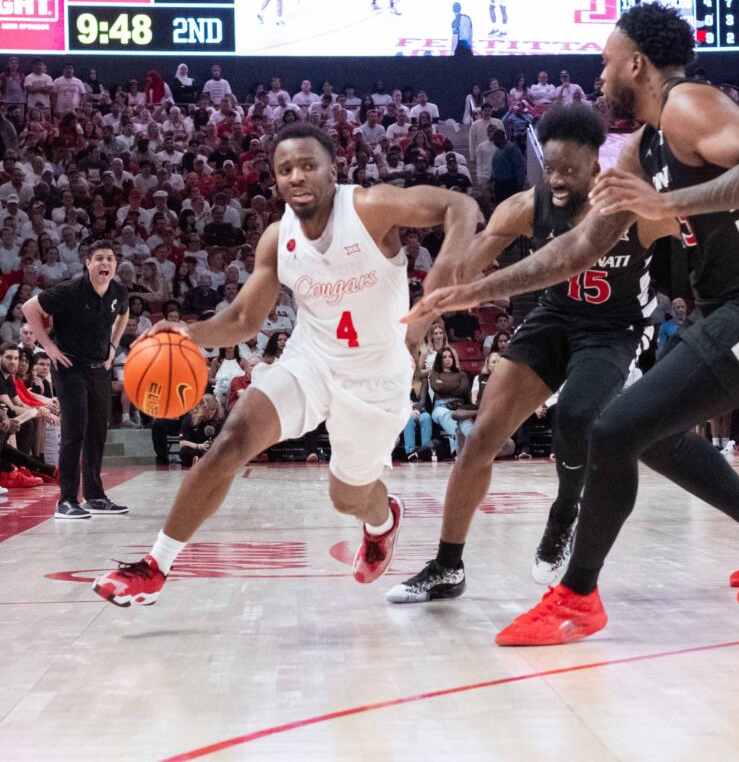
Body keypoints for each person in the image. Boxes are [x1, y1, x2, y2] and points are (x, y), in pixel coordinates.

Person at [406, 4, 739, 645]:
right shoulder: (641, 147)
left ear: (636, 62)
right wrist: (477, 290)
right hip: (731, 308)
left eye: (607, 61)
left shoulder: (690, 105)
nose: (600, 76)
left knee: (612, 428)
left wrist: (670, 202)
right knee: (647, 433)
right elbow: (574, 252)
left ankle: (576, 596)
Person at [91, 123, 479, 607]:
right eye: (285, 169)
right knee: (231, 441)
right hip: (310, 361)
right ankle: (155, 566)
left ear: (333, 170)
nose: (297, 176)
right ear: (275, 179)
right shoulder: (278, 239)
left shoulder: (369, 207)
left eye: (308, 165)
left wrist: (442, 279)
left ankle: (382, 522)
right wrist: (189, 330)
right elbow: (244, 319)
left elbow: (461, 206)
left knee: (348, 497)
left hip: (376, 377)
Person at [387, 104, 678, 604]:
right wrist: (424, 317)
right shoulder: (526, 206)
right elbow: (464, 272)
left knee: (577, 415)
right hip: (552, 321)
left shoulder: (633, 208)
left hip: (613, 330)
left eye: (571, 170)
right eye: (553, 168)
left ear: (595, 167)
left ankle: (564, 512)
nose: (560, 179)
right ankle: (447, 566)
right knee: (480, 439)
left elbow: (708, 229)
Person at [23, 240, 130, 519]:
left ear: (115, 265)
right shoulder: (70, 289)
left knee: (97, 433)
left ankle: (95, 497)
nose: (105, 263)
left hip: (99, 369)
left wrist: (112, 345)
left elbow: (124, 312)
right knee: (74, 432)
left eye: (110, 259)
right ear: (88, 263)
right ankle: (66, 500)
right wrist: (48, 346)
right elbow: (29, 308)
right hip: (70, 367)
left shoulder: (118, 292)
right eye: (99, 259)